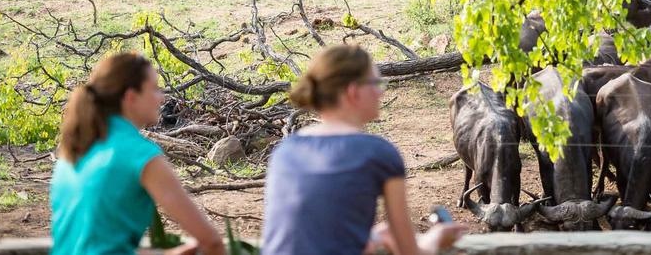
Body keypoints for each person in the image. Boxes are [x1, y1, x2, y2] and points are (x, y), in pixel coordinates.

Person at [262, 45, 466, 255]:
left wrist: (372, 237)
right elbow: (410, 252)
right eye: (376, 83)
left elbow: (305, 235)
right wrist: (433, 240)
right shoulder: (378, 153)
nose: (381, 91)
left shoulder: (285, 150)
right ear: (353, 92)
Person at [50, 52, 224, 255]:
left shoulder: (74, 150)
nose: (162, 98)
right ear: (131, 97)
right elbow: (211, 243)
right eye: (154, 89)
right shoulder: (141, 154)